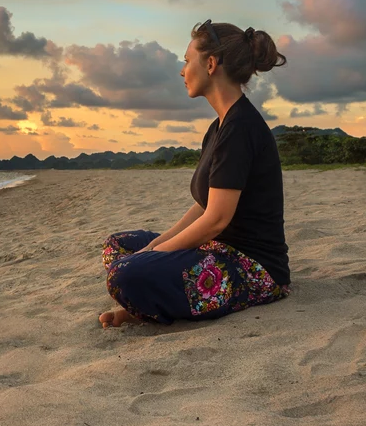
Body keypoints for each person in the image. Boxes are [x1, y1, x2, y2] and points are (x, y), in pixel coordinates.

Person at [99, 20, 291, 328]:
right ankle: (147, 303)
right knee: (118, 246)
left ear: (211, 64)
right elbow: (204, 206)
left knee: (126, 274)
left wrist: (153, 255)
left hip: (252, 268)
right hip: (214, 249)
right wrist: (154, 247)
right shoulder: (219, 127)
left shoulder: (241, 127)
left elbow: (216, 219)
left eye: (187, 61)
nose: (182, 70)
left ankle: (143, 309)